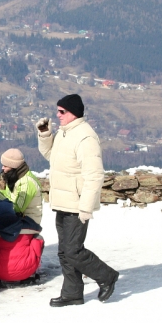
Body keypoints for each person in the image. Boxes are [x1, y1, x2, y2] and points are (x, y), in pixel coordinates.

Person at [37, 94, 118, 306]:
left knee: (74, 251)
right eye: (57, 111)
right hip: (63, 202)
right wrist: (46, 135)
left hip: (76, 204)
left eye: (61, 112)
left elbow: (94, 175)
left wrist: (86, 207)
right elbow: (51, 156)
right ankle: (72, 292)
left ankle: (107, 276)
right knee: (64, 252)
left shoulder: (85, 137)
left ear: (73, 113)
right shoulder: (65, 134)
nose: (57, 115)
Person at [0, 148, 44, 283]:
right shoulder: (16, 178)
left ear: (13, 166)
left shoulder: (27, 183)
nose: (3, 168)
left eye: (5, 166)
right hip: (20, 218)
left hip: (29, 221)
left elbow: (17, 207)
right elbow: (9, 197)